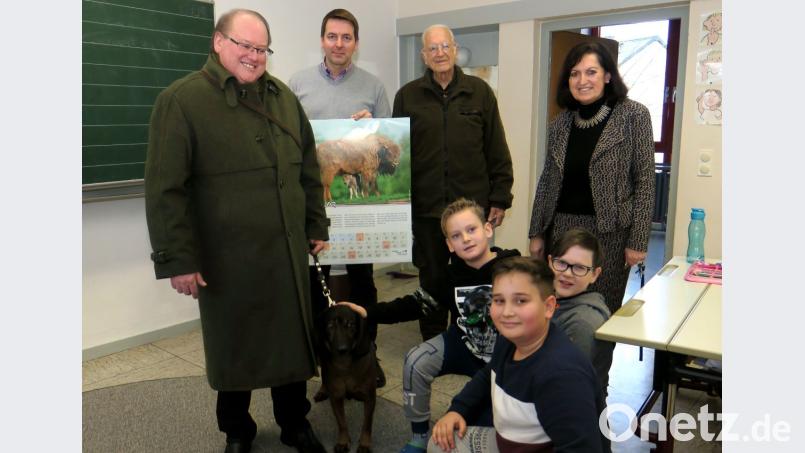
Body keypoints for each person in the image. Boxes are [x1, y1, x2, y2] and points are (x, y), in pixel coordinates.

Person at [144, 9, 329, 453]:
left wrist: (315, 224)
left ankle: (293, 422)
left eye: (261, 48)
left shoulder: (283, 97)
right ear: (218, 42)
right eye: (244, 45)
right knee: (235, 347)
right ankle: (237, 430)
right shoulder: (181, 100)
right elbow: (165, 189)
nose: (253, 55)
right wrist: (178, 259)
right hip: (227, 259)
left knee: (291, 344)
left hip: (286, 252)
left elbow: (308, 167)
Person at [340, 198, 520, 453]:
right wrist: (368, 312)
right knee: (416, 360)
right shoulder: (447, 278)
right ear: (449, 244)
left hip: (503, 356)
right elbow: (412, 305)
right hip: (463, 344)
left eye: (472, 230)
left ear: (487, 229)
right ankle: (419, 436)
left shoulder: (514, 269)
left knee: (486, 428)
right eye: (456, 235)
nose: (466, 239)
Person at [288, 8, 391, 388]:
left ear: (356, 43)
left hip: (358, 209)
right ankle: (326, 366)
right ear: (322, 40)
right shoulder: (296, 85)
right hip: (315, 202)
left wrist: (373, 124)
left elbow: (386, 140)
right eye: (332, 36)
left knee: (364, 283)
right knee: (318, 287)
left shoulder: (373, 86)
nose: (339, 44)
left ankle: (369, 356)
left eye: (347, 38)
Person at [393, 24, 514, 341]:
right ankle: (433, 338)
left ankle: (471, 334)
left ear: (455, 49)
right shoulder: (407, 96)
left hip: (470, 212)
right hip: (427, 208)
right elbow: (395, 152)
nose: (440, 53)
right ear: (424, 55)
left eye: (445, 46)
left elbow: (496, 147)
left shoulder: (479, 92)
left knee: (471, 275)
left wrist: (500, 197)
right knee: (431, 276)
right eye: (432, 48)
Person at [429, 257, 608, 453]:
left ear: (548, 307)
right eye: (498, 300)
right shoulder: (510, 340)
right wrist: (458, 409)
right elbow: (488, 375)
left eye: (520, 301)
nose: (507, 312)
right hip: (510, 442)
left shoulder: (562, 375)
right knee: (439, 444)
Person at [528, 41, 655, 316]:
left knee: (602, 313)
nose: (582, 80)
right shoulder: (560, 124)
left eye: (591, 72)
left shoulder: (634, 116)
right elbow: (547, 180)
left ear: (608, 75)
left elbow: (645, 181)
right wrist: (537, 232)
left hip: (609, 234)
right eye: (575, 74)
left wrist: (638, 242)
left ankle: (595, 362)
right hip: (561, 229)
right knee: (558, 311)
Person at [548, 228, 615, 397]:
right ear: (550, 262)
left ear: (594, 274)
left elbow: (566, 388)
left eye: (579, 268)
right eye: (561, 263)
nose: (567, 273)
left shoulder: (581, 323)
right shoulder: (554, 301)